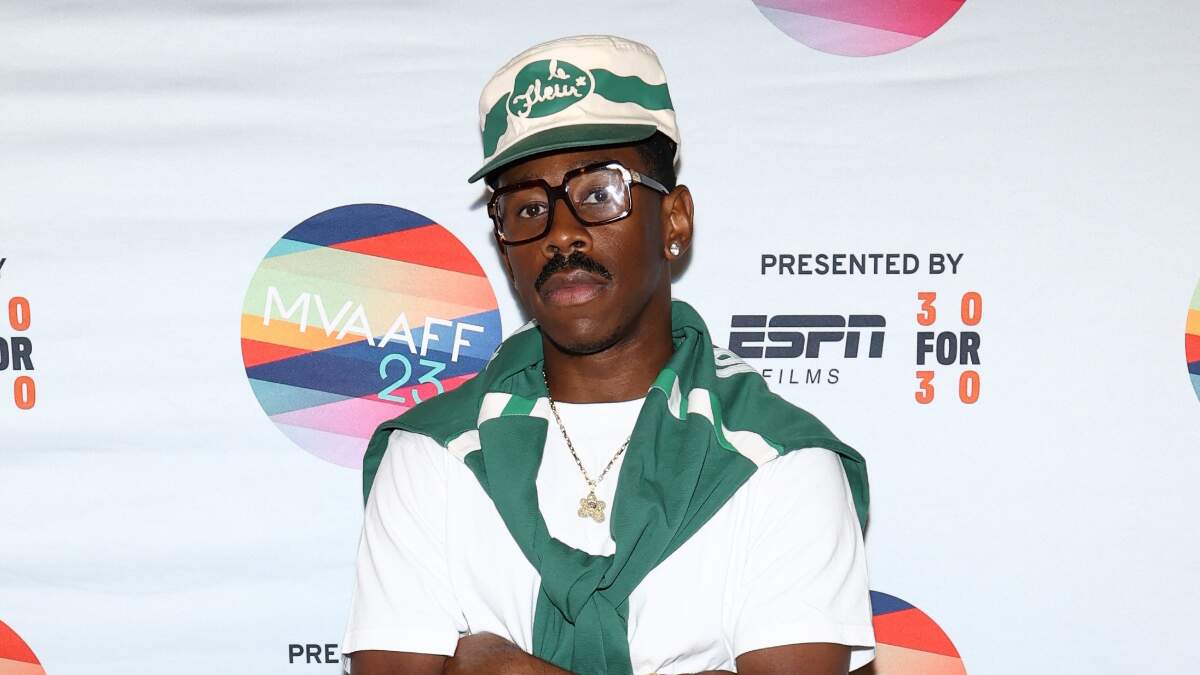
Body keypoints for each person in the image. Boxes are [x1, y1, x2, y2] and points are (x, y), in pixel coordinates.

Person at [342, 34, 875, 675]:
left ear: (674, 221)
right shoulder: (431, 454)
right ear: (504, 246)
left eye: (599, 194)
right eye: (527, 207)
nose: (561, 234)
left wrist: (504, 668)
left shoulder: (781, 463)